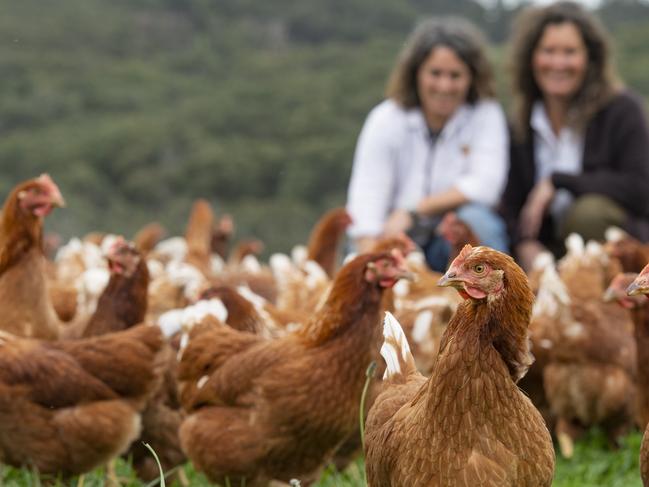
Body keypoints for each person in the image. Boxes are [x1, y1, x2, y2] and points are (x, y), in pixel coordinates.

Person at [345, 18, 509, 271]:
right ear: (416, 74)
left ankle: (494, 305)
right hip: (395, 241)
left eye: (455, 76)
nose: (444, 86)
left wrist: (414, 211)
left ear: (471, 78)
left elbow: (485, 185)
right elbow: (367, 198)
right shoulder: (387, 119)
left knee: (479, 223)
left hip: (447, 239)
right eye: (435, 73)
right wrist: (372, 258)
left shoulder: (485, 114)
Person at [502, 1, 649, 271]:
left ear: (590, 59)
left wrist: (558, 182)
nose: (558, 63)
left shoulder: (623, 109)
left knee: (588, 213)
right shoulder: (520, 122)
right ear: (531, 57)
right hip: (547, 252)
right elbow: (509, 202)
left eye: (570, 52)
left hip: (615, 250)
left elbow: (640, 190)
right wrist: (524, 243)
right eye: (548, 51)